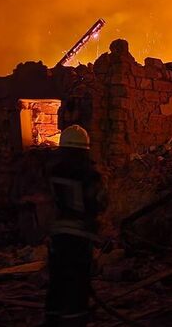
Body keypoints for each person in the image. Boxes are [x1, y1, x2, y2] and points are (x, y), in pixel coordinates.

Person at [44, 125, 105, 326]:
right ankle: (75, 320)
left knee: (57, 280)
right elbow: (96, 204)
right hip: (79, 236)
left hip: (57, 235)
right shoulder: (89, 175)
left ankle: (52, 319)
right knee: (77, 284)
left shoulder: (54, 171)